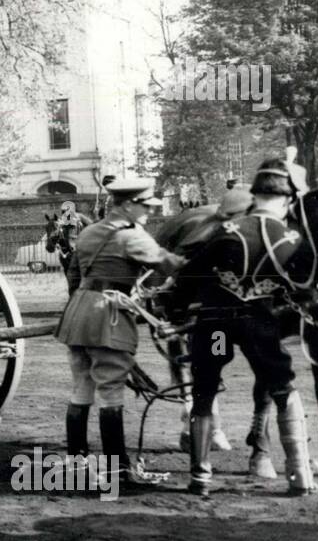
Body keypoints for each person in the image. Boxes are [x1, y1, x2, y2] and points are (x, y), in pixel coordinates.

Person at [172, 156, 318, 497]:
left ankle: (200, 477)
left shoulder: (225, 231)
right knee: (283, 389)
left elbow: (188, 277)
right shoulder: (292, 239)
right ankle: (299, 475)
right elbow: (305, 290)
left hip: (217, 328)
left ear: (254, 196)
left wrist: (178, 309)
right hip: (259, 328)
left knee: (205, 394)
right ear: (286, 200)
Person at [54, 178, 184, 486]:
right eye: (145, 206)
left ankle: (78, 465)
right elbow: (170, 264)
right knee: (110, 390)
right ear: (127, 205)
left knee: (81, 388)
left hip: (78, 314)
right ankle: (118, 469)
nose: (149, 213)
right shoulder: (131, 236)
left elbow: (74, 274)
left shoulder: (89, 232)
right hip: (107, 316)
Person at [153, 187, 256, 455]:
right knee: (211, 366)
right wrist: (175, 311)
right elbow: (184, 282)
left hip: (236, 318)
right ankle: (201, 432)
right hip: (216, 323)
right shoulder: (212, 243)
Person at [50, 200, 92, 296]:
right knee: (70, 275)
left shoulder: (80, 217)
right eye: (64, 211)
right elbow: (56, 234)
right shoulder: (62, 221)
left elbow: (92, 225)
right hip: (67, 251)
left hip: (80, 248)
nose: (66, 213)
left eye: (68, 211)